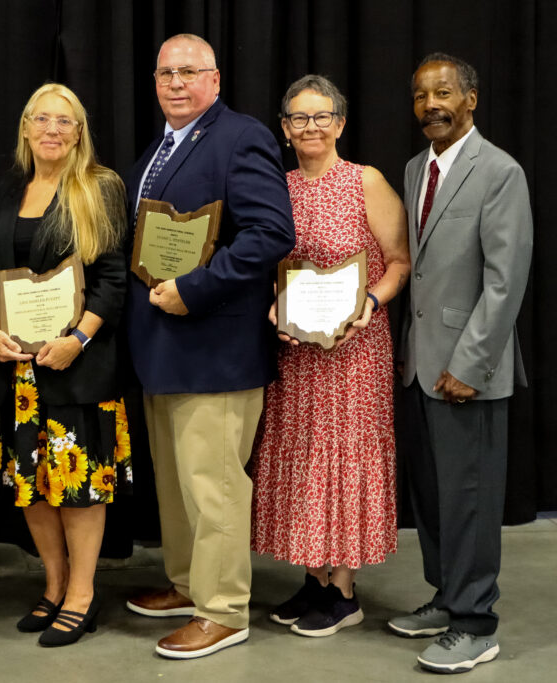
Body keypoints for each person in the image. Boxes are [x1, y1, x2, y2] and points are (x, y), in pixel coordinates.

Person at [123, 34, 295, 659]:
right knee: (176, 484)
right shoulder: (158, 149)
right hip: (164, 349)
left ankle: (224, 609)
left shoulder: (239, 136)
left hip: (215, 349)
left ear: (215, 80)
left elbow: (272, 232)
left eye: (189, 72)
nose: (176, 83)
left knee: (214, 484)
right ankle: (188, 584)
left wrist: (195, 288)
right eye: (166, 72)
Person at [249, 75, 410, 636]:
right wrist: (273, 305)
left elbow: (398, 261)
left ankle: (344, 589)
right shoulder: (279, 186)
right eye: (298, 118)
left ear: (340, 124)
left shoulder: (367, 182)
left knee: (342, 458)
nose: (309, 127)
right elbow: (269, 265)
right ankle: (314, 577)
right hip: (296, 354)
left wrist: (370, 301)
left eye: (321, 117)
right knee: (303, 459)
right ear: (286, 128)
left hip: (353, 352)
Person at [0, 83, 131, 647]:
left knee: (79, 485)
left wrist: (78, 341)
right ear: (25, 128)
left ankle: (83, 595)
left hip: (77, 367)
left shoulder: (100, 188)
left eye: (65, 121)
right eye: (42, 119)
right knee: (32, 485)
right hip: (13, 369)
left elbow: (114, 283)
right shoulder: (8, 187)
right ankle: (55, 583)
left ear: (79, 132)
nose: (53, 130)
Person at [389, 53, 532, 674]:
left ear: (470, 99)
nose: (431, 106)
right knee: (434, 497)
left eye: (443, 93)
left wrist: (470, 363)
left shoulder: (499, 171)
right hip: (420, 364)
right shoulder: (417, 168)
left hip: (469, 370)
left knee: (469, 499)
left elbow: (505, 282)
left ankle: (477, 623)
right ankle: (448, 599)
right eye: (421, 97)